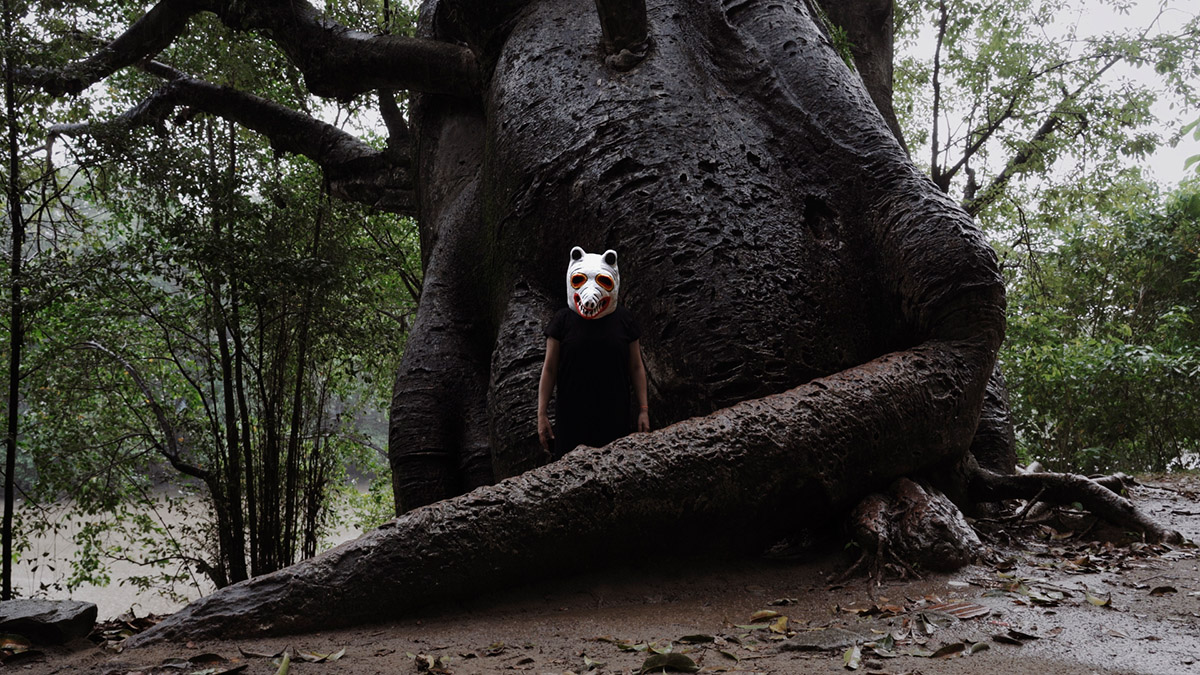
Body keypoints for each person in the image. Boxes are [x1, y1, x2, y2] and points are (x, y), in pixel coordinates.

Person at [538, 246, 650, 459]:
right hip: (571, 423)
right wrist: (541, 414)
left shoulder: (624, 320)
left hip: (614, 421)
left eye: (603, 281)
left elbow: (636, 367)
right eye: (579, 280)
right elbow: (549, 369)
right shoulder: (562, 321)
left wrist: (644, 409)